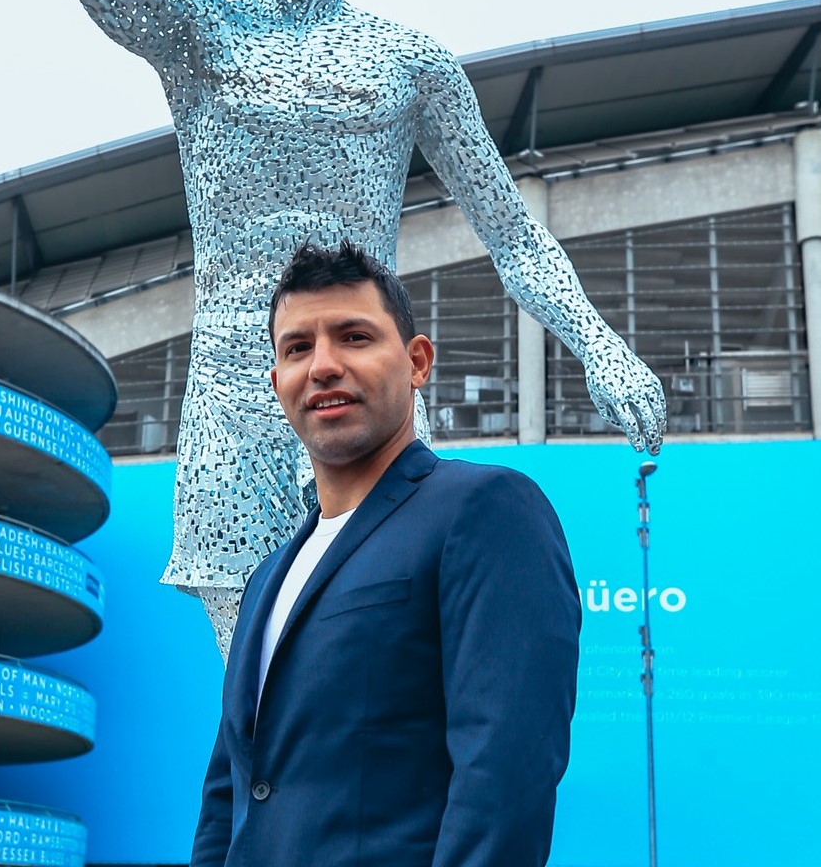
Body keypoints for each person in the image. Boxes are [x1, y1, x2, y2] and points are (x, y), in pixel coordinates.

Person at [53, 0, 664, 656]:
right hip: (233, 403)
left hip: (358, 389)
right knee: (254, 694)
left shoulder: (407, 62)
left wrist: (597, 343)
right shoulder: (201, 38)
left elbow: (509, 233)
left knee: (367, 670)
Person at [190, 241, 581, 867]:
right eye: (297, 348)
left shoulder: (484, 509)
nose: (322, 366)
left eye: (353, 337)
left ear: (417, 361)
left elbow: (504, 774)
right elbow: (229, 793)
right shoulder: (267, 577)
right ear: (277, 383)